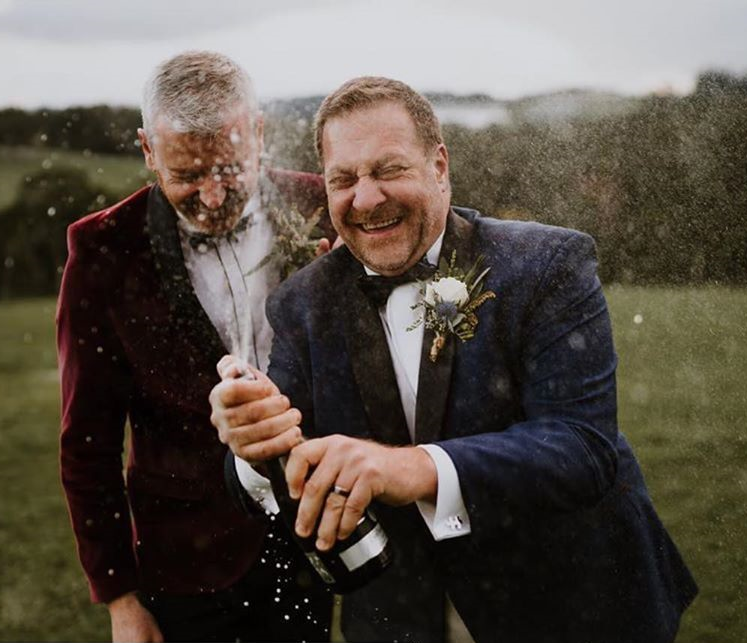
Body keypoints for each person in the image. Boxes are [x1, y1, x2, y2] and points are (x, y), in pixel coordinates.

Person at [209, 76, 698, 643]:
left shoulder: (547, 263)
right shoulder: (303, 302)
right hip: (401, 618)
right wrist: (253, 443)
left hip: (567, 604)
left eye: (389, 169)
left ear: (439, 166)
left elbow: (581, 448)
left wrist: (410, 468)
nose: (365, 199)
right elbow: (273, 473)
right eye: (343, 179)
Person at [56, 51, 333, 642]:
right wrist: (120, 601)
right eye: (186, 176)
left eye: (229, 169)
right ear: (147, 150)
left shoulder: (324, 208)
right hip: (187, 560)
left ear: (258, 134)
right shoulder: (104, 251)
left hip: (317, 533)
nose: (211, 197)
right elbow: (88, 445)